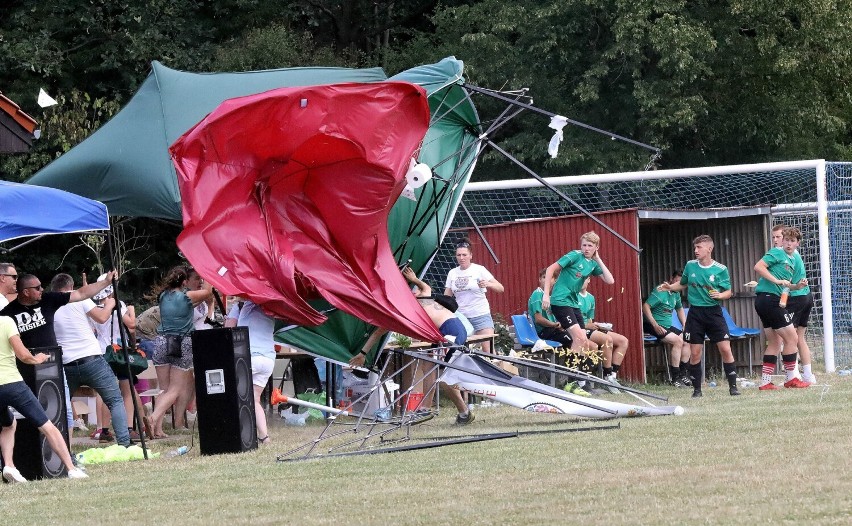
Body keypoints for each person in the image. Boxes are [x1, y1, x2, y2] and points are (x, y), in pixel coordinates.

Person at [1, 271, 117, 446]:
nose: (42, 290)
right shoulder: (8, 313)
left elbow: (80, 294)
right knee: (32, 413)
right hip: (26, 368)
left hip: (53, 366)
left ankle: (68, 454)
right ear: (25, 292)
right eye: (37, 288)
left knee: (64, 411)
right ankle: (36, 453)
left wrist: (106, 282)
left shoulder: (48, 300)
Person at [352, 266, 474, 424]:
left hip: (451, 330)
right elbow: (377, 333)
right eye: (411, 290)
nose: (414, 292)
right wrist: (362, 353)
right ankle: (463, 413)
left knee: (437, 372)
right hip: (443, 334)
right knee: (435, 372)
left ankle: (426, 409)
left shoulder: (422, 298)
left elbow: (426, 287)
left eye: (414, 290)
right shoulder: (400, 312)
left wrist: (414, 279)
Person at [0, 314, 88, 481]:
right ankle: (71, 468)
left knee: (9, 424)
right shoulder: (6, 322)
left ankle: (9, 465)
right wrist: (36, 359)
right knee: (47, 426)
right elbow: (22, 354)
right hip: (12, 384)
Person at [49, 273, 132, 446]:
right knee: (115, 400)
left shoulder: (48, 305)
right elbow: (101, 318)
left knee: (62, 407)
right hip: (91, 359)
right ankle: (124, 443)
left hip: (65, 364)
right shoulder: (80, 299)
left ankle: (61, 446)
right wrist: (109, 305)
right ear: (71, 287)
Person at [659, 235, 740, 397]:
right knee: (695, 352)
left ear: (709, 249)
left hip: (714, 313)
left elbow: (728, 292)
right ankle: (697, 390)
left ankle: (733, 387)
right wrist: (671, 287)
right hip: (695, 313)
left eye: (699, 247)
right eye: (695, 248)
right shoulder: (690, 265)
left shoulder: (720, 269)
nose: (695, 251)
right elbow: (683, 283)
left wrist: (720, 295)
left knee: (725, 348)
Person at [148, 266, 212, 438]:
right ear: (184, 282)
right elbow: (207, 292)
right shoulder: (186, 296)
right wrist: (208, 273)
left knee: (164, 389)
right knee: (176, 389)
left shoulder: (163, 296)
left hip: (161, 342)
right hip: (182, 343)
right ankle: (152, 418)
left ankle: (157, 429)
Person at [541, 231, 615, 363]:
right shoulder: (574, 255)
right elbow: (550, 269)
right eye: (584, 245)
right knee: (579, 338)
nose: (586, 249)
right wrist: (546, 294)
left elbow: (610, 280)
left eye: (590, 246)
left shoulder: (592, 263)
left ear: (596, 247)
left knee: (585, 342)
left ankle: (578, 377)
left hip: (573, 303)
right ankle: (572, 376)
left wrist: (598, 259)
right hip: (560, 301)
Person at [90, 277, 148, 440]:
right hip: (118, 352)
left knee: (104, 392)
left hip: (100, 351)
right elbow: (131, 324)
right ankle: (129, 428)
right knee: (127, 390)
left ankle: (104, 430)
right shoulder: (118, 304)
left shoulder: (92, 307)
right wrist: (131, 310)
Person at [754, 227, 810, 390]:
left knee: (774, 341)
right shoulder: (777, 252)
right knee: (792, 338)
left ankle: (765, 382)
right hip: (768, 299)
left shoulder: (793, 259)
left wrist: (796, 286)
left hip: (765, 301)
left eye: (792, 241)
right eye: (786, 240)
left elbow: (786, 286)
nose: (788, 243)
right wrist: (776, 281)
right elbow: (758, 267)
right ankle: (791, 378)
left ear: (797, 243)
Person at [526, 268, 592, 397]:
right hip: (543, 333)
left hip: (554, 330)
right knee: (574, 340)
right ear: (539, 280)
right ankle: (572, 380)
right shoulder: (537, 294)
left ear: (555, 281)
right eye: (543, 277)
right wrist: (555, 324)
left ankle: (582, 380)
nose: (546, 280)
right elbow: (539, 319)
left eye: (549, 278)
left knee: (582, 340)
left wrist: (561, 325)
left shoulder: (553, 297)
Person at [225, 298, 275, 444]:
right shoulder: (272, 303)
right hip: (268, 359)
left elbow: (229, 328)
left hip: (249, 357)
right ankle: (264, 436)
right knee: (254, 399)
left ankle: (233, 432)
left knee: (231, 394)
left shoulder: (240, 305)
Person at [444, 240, 504, 353]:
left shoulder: (479, 269)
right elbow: (447, 296)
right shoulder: (452, 273)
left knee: (488, 350)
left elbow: (500, 288)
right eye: (458, 255)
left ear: (470, 255)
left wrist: (488, 284)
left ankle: (495, 369)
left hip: (480, 314)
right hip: (462, 317)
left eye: (464, 255)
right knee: (461, 350)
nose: (461, 258)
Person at [578, 277, 629, 385]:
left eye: (585, 278)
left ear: (589, 280)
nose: (582, 281)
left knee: (623, 341)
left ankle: (613, 376)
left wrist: (599, 326)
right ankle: (607, 375)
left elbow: (590, 319)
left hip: (591, 328)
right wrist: (588, 325)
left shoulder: (591, 298)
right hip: (580, 329)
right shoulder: (573, 296)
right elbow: (572, 321)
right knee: (607, 340)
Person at [643, 270, 691, 386]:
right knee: (678, 341)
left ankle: (683, 375)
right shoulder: (661, 290)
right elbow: (645, 306)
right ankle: (674, 378)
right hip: (652, 325)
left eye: (681, 282)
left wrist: (684, 324)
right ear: (671, 279)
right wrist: (655, 324)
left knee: (687, 339)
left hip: (667, 326)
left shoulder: (676, 294)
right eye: (676, 281)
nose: (678, 284)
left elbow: (679, 309)